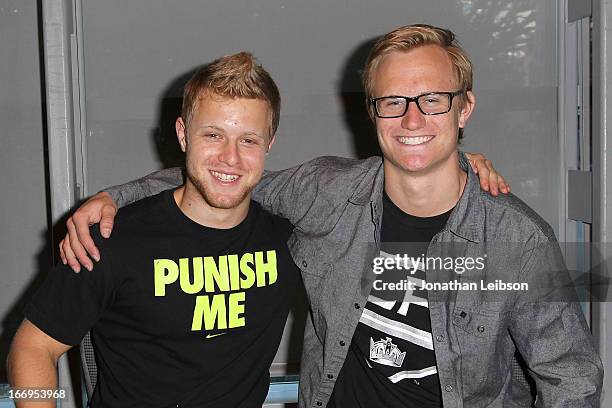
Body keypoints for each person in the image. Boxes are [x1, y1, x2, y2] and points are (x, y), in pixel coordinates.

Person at [59, 24, 602, 407]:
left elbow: (571, 380)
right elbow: (232, 174)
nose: (413, 117)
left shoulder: (518, 240)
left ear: (465, 108)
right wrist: (116, 197)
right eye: (393, 101)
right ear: (372, 113)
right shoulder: (327, 191)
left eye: (434, 99)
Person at [7, 52, 302, 408]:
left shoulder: (290, 238)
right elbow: (31, 348)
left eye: (249, 140)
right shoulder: (110, 238)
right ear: (183, 135)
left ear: (269, 144)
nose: (231, 157)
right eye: (213, 135)